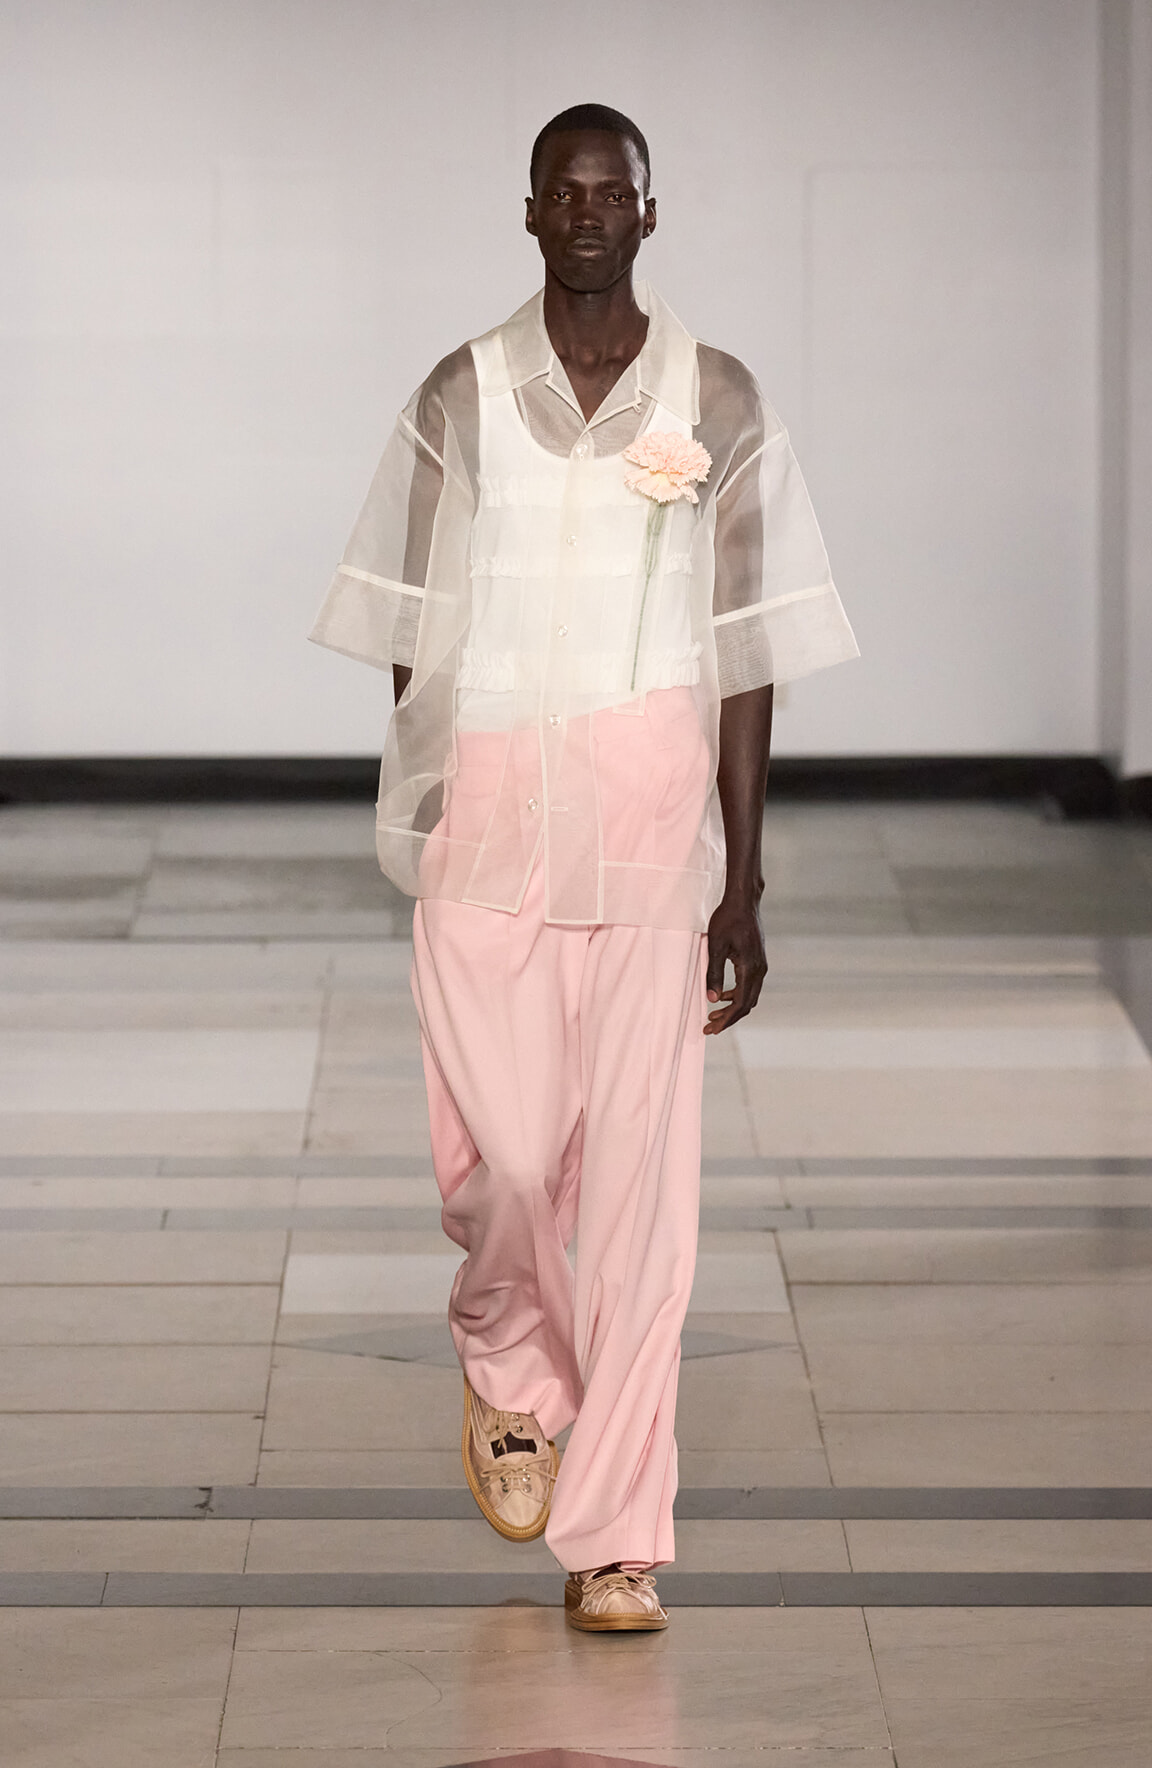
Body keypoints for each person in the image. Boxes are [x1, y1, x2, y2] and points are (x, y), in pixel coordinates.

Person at [309, 103, 857, 1632]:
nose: (594, 213)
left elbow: (749, 656)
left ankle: (616, 1533)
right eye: (570, 192)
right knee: (495, 1156)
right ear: (533, 215)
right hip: (488, 808)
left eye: (618, 190)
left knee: (639, 1203)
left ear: (651, 215)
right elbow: (413, 622)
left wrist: (740, 883)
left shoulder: (719, 399)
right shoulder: (463, 392)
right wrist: (427, 786)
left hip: (647, 825)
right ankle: (506, 1354)